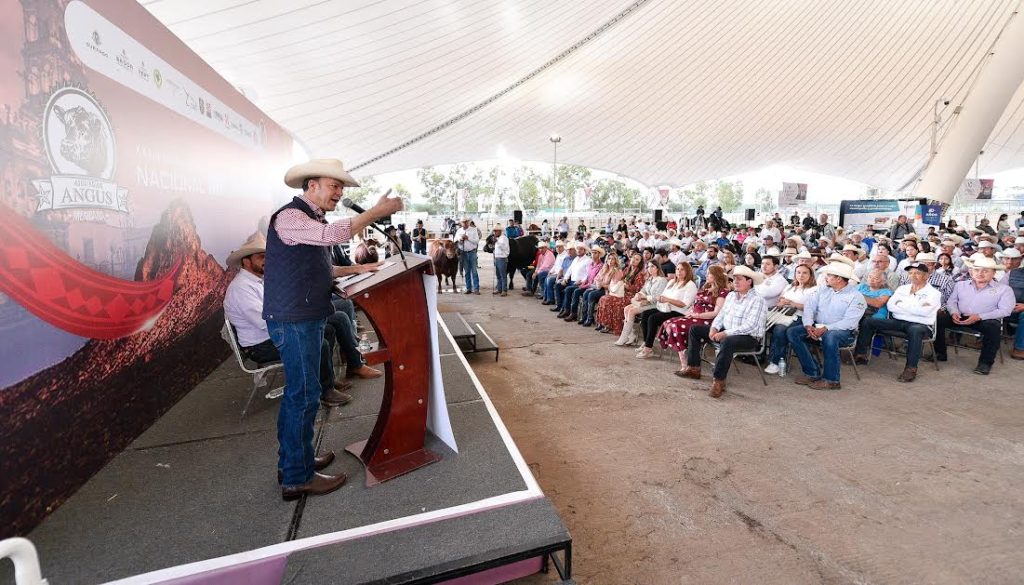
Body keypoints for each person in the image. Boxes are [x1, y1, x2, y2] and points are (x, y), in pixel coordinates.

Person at [265, 159, 401, 500]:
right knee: (304, 395)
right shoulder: (291, 217)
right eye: (333, 186)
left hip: (304, 317)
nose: (339, 193)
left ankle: (296, 461)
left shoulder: (310, 219)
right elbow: (332, 235)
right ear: (311, 186)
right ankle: (297, 477)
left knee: (303, 394)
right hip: (295, 320)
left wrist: (362, 267)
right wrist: (374, 212)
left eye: (341, 187)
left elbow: (322, 268)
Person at [224, 233, 353, 408]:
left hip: (274, 333)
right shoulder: (241, 288)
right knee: (319, 342)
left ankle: (325, 378)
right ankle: (325, 391)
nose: (267, 261)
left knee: (327, 327)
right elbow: (265, 322)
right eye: (262, 257)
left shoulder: (260, 281)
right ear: (246, 262)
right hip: (261, 345)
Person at [677, 266, 768, 398]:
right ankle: (694, 368)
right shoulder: (731, 295)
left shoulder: (758, 300)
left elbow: (751, 326)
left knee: (727, 341)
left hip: (748, 338)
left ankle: (719, 381)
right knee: (695, 329)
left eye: (739, 279)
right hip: (728, 332)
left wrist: (725, 333)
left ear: (749, 281)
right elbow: (721, 315)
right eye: (734, 279)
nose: (735, 282)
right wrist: (714, 328)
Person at [853, 261, 941, 382]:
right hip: (899, 321)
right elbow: (891, 307)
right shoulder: (902, 289)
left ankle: (911, 369)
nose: (913, 275)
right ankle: (860, 355)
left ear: (926, 276)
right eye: (910, 273)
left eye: (917, 273)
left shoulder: (934, 293)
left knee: (915, 331)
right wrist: (915, 307)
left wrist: (902, 306)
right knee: (868, 321)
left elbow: (925, 312)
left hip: (921, 325)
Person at [787, 262, 867, 390]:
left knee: (830, 337)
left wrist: (825, 328)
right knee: (793, 332)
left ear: (839, 278)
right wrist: (808, 325)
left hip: (844, 333)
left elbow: (849, 322)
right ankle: (812, 372)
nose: (825, 277)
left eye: (829, 275)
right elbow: (809, 307)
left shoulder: (856, 297)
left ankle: (832, 380)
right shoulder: (823, 289)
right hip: (818, 326)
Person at [934, 256, 1015, 375]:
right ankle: (940, 353)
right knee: (938, 318)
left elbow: (1006, 310)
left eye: (985, 271)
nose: (980, 273)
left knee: (994, 328)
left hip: (985, 319)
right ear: (971, 271)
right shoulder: (961, 285)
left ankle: (985, 363)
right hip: (960, 315)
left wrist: (979, 316)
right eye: (976, 270)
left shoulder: (1004, 289)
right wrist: (954, 312)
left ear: (994, 273)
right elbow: (952, 301)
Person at [659, 265, 730, 372]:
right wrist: (690, 313)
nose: (706, 275)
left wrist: (698, 315)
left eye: (709, 273)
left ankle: (686, 363)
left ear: (716, 275)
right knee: (668, 323)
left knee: (675, 325)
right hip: (695, 316)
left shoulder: (723, 291)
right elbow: (695, 304)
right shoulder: (705, 288)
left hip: (707, 320)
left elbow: (716, 313)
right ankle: (685, 359)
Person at [635, 263, 699, 358]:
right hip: (665, 308)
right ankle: (646, 342)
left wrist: (668, 300)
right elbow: (663, 296)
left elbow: (685, 304)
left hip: (679, 312)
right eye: (677, 269)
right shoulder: (672, 282)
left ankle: (648, 349)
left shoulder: (690, 285)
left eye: (682, 270)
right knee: (645, 314)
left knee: (653, 318)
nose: (679, 272)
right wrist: (657, 298)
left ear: (688, 271)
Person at [764, 264, 817, 374]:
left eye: (804, 273)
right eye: (798, 272)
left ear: (810, 275)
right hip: (782, 314)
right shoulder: (789, 286)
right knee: (761, 322)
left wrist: (792, 304)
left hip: (800, 317)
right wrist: (782, 302)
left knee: (780, 329)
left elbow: (812, 308)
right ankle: (757, 355)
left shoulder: (814, 290)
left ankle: (776, 361)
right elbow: (779, 301)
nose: (801, 275)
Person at [615, 262, 668, 346]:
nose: (650, 268)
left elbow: (657, 297)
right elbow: (643, 290)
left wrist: (644, 298)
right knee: (626, 308)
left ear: (657, 268)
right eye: (648, 266)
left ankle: (624, 337)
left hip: (655, 305)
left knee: (631, 311)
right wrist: (638, 294)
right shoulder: (650, 279)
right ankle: (631, 335)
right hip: (646, 303)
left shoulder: (662, 280)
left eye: (652, 266)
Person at [597, 253, 646, 334]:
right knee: (604, 298)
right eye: (633, 258)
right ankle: (605, 323)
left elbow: (637, 289)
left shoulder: (640, 274)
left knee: (612, 301)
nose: (634, 260)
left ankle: (612, 326)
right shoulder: (627, 269)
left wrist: (626, 285)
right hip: (622, 292)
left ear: (640, 263)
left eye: (637, 259)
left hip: (632, 295)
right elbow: (619, 281)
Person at [455, 217, 481, 294]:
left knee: (474, 271)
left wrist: (468, 238)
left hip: (472, 252)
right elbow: (455, 240)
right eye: (463, 222)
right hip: (463, 253)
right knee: (466, 271)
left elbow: (476, 241)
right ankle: (468, 288)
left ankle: (476, 289)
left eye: (466, 222)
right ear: (461, 223)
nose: (464, 223)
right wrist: (460, 239)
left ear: (468, 222)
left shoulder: (473, 230)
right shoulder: (459, 231)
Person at [492, 224, 510, 296]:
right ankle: (499, 289)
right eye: (494, 231)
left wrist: (497, 242)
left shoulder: (504, 238)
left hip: (502, 258)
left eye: (495, 231)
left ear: (499, 231)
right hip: (497, 258)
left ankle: (504, 290)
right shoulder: (499, 238)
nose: (495, 233)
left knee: (503, 275)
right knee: (498, 275)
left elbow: (504, 248)